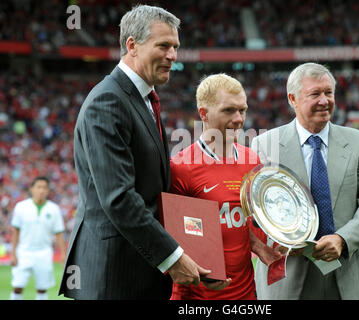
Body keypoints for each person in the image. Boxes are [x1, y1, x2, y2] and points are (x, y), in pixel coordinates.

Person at [59, 5, 209, 300]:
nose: (173, 56)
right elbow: (119, 199)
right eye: (163, 46)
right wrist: (174, 258)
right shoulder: (108, 101)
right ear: (132, 45)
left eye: (176, 47)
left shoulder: (141, 98)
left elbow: (153, 189)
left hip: (137, 269)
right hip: (115, 275)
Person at [251, 62, 359, 300]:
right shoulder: (264, 145)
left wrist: (342, 239)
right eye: (315, 93)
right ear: (292, 99)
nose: (324, 100)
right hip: (288, 279)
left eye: (329, 93)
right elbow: (257, 209)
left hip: (348, 276)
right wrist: (277, 240)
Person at [170, 73, 282, 300]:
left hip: (246, 295)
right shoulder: (181, 166)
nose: (239, 119)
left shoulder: (251, 161)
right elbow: (174, 236)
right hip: (197, 297)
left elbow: (240, 219)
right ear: (204, 114)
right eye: (229, 110)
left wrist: (259, 247)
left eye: (242, 110)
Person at [10, 176, 66, 300]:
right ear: (32, 189)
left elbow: (59, 233)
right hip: (24, 252)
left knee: (42, 288)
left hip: (44, 252)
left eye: (44, 188)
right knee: (18, 286)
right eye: (38, 187)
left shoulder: (54, 209)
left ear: (48, 191)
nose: (41, 190)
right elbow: (16, 231)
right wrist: (13, 253)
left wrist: (63, 254)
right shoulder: (21, 207)